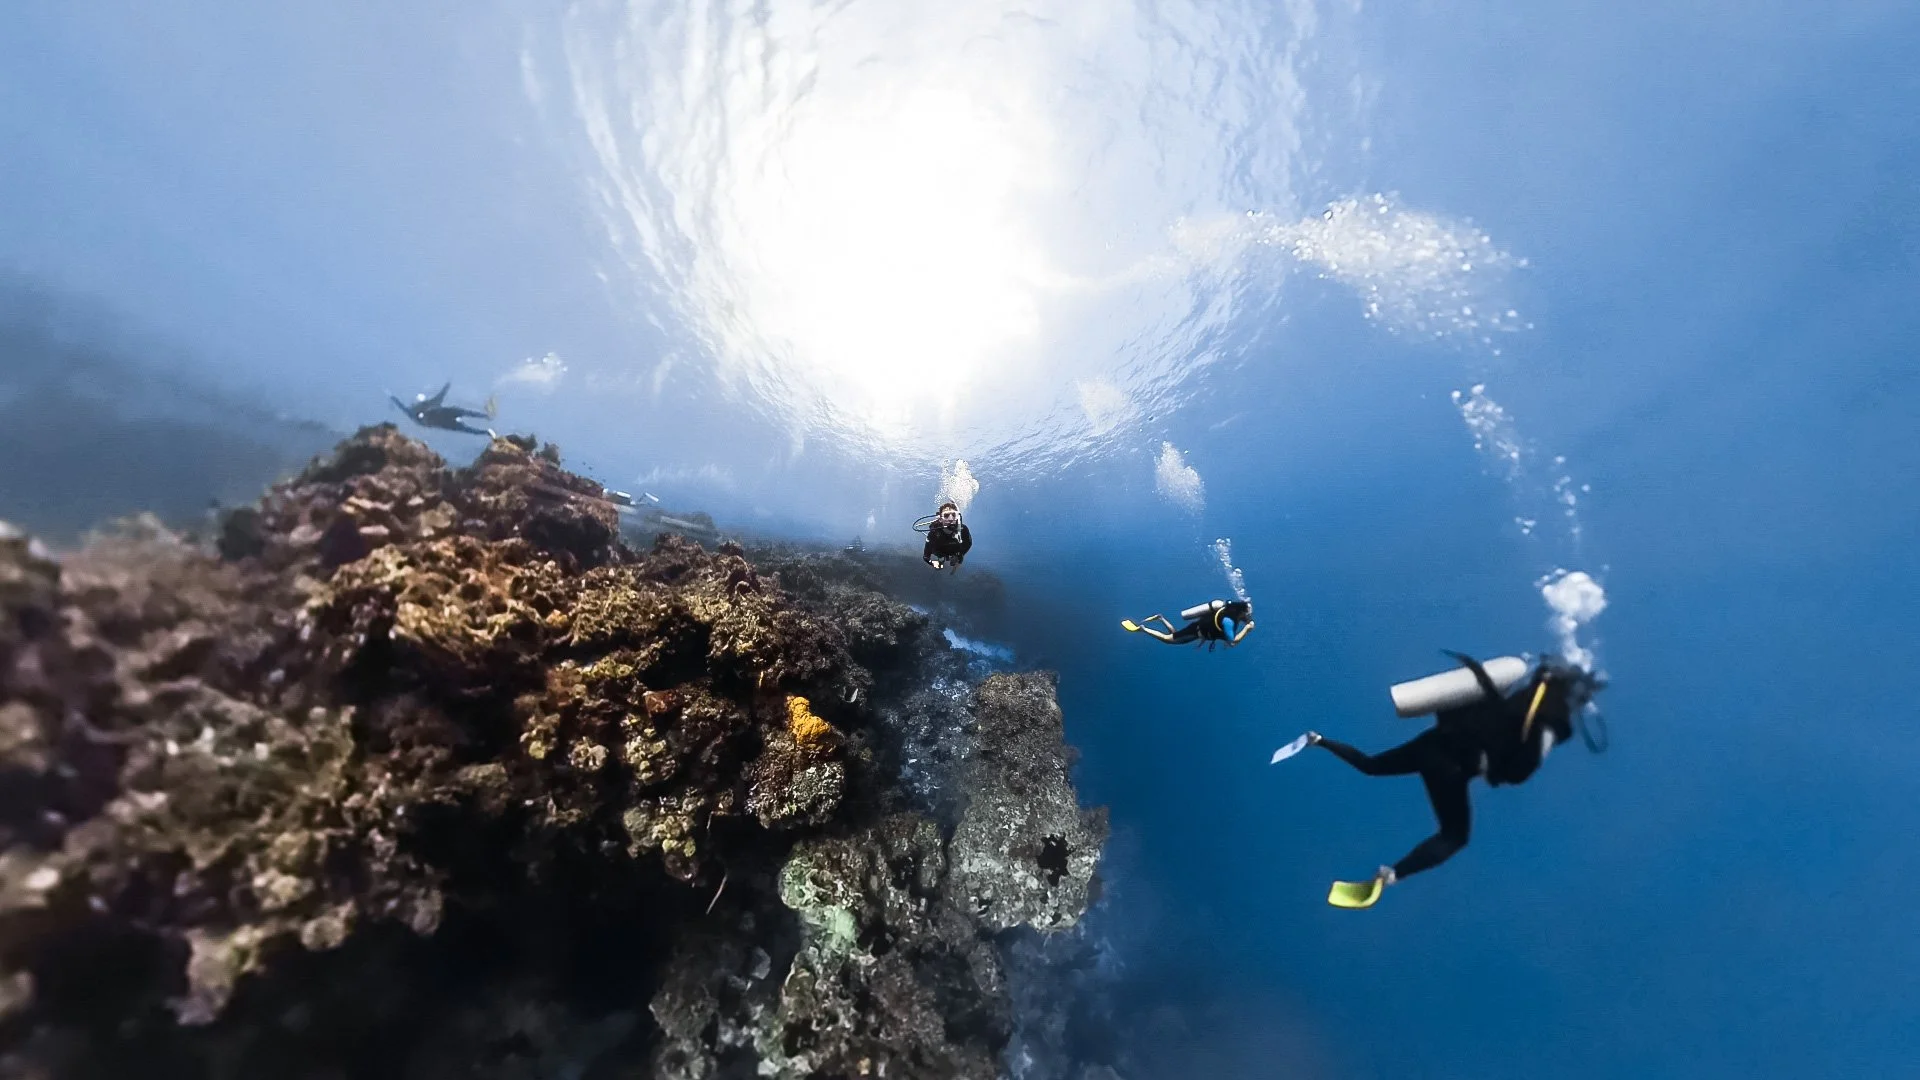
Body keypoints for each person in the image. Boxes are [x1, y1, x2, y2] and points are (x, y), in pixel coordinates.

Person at [1297, 652, 1605, 900]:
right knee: (1455, 836)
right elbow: (1520, 771)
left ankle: (1318, 739)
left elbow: (1470, 698)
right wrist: (1496, 769)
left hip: (1432, 745)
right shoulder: (1551, 718)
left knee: (1370, 765)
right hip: (1456, 767)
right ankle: (1392, 874)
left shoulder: (1516, 691)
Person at [1121, 599, 1254, 648]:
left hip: (1197, 627)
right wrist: (1247, 629)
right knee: (1169, 640)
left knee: (1175, 634)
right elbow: (1232, 642)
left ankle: (1161, 619)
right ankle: (1142, 629)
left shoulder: (1228, 609)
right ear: (1241, 612)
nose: (1247, 618)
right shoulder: (1229, 621)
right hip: (1196, 632)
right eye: (1246, 615)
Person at [391, 383, 496, 436]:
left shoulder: (418, 412)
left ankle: (486, 426)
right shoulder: (416, 413)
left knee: (465, 424)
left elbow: (403, 408)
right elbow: (403, 408)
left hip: (442, 418)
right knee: (465, 421)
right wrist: (393, 398)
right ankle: (486, 422)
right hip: (442, 417)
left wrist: (446, 387)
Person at [921, 502, 972, 570]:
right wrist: (932, 563)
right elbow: (926, 556)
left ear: (957, 517)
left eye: (954, 515)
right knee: (940, 557)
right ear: (940, 519)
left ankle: (950, 558)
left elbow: (968, 544)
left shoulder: (963, 530)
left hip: (955, 551)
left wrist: (960, 555)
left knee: (957, 558)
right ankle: (941, 559)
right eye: (946, 515)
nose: (951, 519)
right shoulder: (934, 533)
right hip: (939, 551)